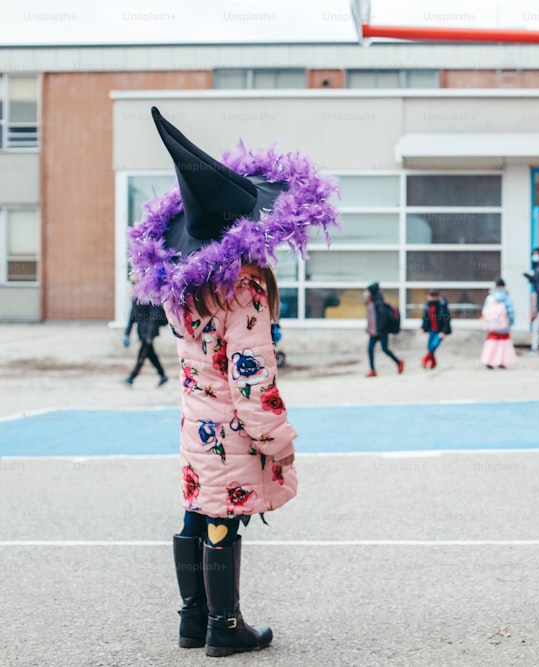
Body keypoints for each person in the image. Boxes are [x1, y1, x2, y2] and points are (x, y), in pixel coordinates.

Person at [127, 107, 339, 656]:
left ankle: (193, 621)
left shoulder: (181, 286)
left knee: (198, 507)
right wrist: (279, 442)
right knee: (225, 515)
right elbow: (252, 380)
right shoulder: (244, 287)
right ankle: (225, 626)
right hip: (236, 430)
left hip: (197, 423)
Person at [123, 294, 169, 386]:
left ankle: (132, 377)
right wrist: (127, 333)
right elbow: (132, 315)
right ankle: (163, 375)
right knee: (151, 355)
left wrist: (149, 336)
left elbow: (154, 315)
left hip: (148, 333)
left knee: (142, 355)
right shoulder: (135, 296)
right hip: (142, 332)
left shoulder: (149, 295)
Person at [365, 281, 403, 377]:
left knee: (385, 349)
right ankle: (372, 370)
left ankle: (399, 362)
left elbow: (382, 318)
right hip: (373, 332)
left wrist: (379, 330)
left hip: (381, 331)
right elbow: (370, 318)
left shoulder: (378, 302)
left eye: (368, 291)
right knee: (370, 350)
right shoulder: (370, 302)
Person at [480, 278, 516, 369]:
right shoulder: (507, 298)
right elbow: (511, 312)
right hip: (503, 325)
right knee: (503, 344)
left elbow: (485, 311)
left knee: (491, 343)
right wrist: (511, 322)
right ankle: (502, 362)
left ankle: (489, 360)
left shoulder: (490, 298)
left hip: (492, 325)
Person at [420, 289, 452, 369]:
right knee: (429, 346)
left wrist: (444, 331)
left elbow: (446, 319)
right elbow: (425, 318)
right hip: (432, 330)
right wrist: (423, 327)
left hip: (440, 330)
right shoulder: (428, 305)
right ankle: (433, 363)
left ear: (437, 297)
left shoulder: (442, 305)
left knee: (433, 346)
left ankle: (425, 360)